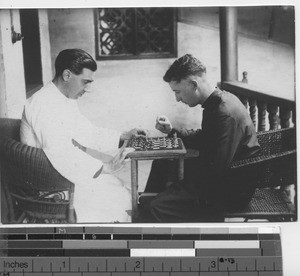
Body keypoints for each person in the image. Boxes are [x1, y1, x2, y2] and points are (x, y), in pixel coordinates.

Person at [20, 48, 146, 223]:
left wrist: (122, 136)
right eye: (85, 82)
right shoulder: (43, 103)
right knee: (116, 197)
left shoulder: (63, 99)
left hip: (63, 173)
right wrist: (105, 167)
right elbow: (60, 153)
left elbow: (87, 132)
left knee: (120, 189)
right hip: (50, 183)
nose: (88, 89)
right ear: (66, 75)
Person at [138, 54, 260, 222]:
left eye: (178, 92)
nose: (177, 98)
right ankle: (147, 202)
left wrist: (178, 187)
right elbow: (207, 139)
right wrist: (172, 130)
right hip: (222, 179)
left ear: (194, 85)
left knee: (154, 209)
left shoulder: (223, 112)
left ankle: (150, 211)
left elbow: (215, 170)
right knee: (163, 163)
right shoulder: (218, 103)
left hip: (230, 191)